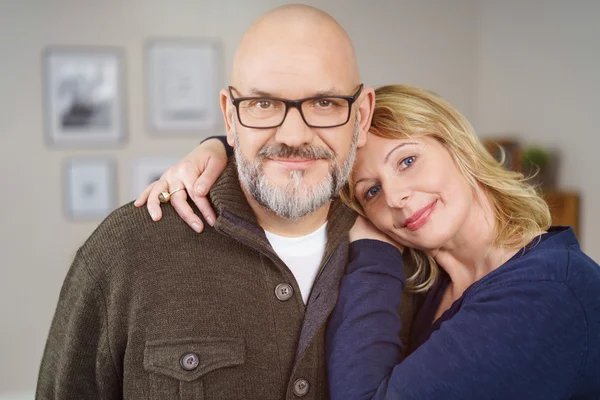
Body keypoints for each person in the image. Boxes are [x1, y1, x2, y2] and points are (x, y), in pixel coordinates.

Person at [38, 5, 420, 399]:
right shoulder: (126, 251)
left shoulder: (412, 260)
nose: (292, 135)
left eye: (324, 104)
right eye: (263, 104)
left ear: (362, 115)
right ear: (230, 116)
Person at [136, 85, 600, 399]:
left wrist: (373, 246)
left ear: (457, 145)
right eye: (371, 192)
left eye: (408, 160)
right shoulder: (440, 280)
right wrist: (220, 147)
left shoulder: (547, 294)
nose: (396, 198)